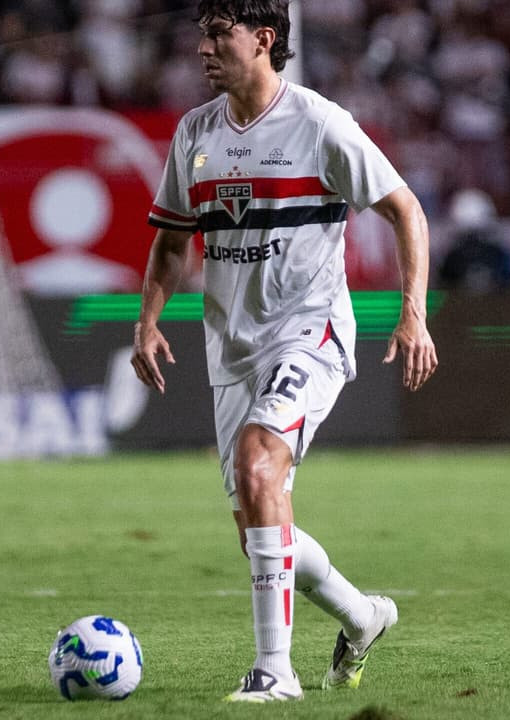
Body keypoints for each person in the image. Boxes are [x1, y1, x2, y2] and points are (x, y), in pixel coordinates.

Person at [131, 0, 437, 702]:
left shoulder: (320, 124)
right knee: (260, 526)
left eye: (219, 34)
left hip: (308, 331)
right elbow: (173, 240)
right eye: (202, 35)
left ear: (263, 39)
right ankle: (363, 616)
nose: (203, 49)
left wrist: (413, 315)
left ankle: (275, 671)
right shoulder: (195, 133)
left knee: (258, 459)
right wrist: (148, 321)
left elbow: (405, 209)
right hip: (231, 348)